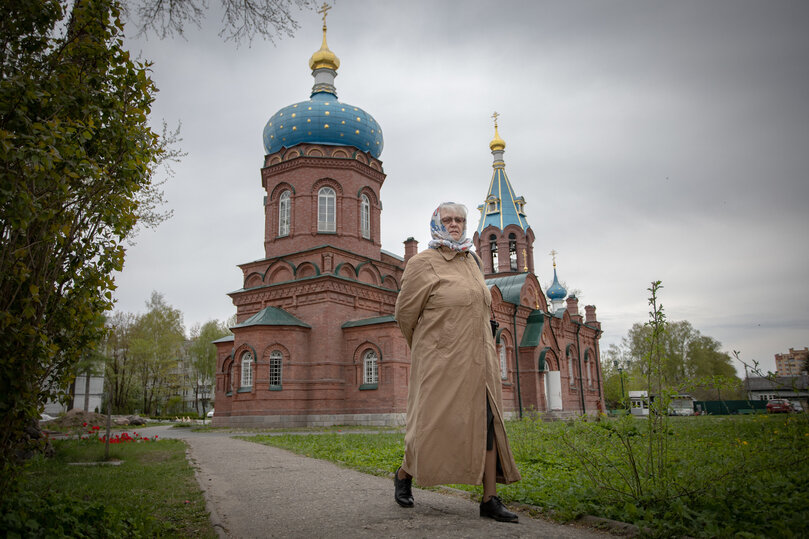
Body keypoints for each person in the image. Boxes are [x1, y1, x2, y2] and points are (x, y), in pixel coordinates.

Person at [393, 202, 521, 523]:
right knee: (432, 423)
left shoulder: (473, 261)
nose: (454, 224)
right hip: (440, 360)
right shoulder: (422, 263)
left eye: (460, 219)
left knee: (488, 422)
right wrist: (428, 348)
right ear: (436, 222)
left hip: (481, 360)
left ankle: (489, 498)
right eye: (448, 219)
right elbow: (405, 315)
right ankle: (405, 473)